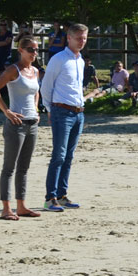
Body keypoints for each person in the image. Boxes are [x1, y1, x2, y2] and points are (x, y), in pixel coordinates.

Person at [0, 36, 43, 221]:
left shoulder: (35, 71)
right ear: (20, 50)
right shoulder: (13, 70)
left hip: (32, 123)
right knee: (9, 168)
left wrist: (36, 109)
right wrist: (7, 111)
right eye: (30, 49)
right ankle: (6, 208)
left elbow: (36, 92)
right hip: (16, 125)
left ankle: (21, 206)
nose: (34, 53)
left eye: (36, 49)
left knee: (24, 168)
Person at [38, 23, 88, 212]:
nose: (82, 42)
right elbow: (46, 86)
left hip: (78, 112)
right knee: (58, 155)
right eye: (78, 38)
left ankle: (61, 194)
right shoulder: (58, 59)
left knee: (68, 156)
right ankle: (50, 197)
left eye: (84, 38)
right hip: (62, 111)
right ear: (69, 38)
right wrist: (49, 109)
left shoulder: (80, 60)